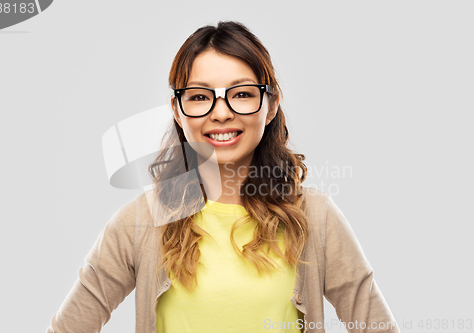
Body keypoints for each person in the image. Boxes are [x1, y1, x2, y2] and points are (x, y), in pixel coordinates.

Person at [47, 21, 400, 333]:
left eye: (242, 94)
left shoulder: (316, 217)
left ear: (271, 104)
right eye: (200, 97)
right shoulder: (140, 221)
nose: (221, 113)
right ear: (177, 110)